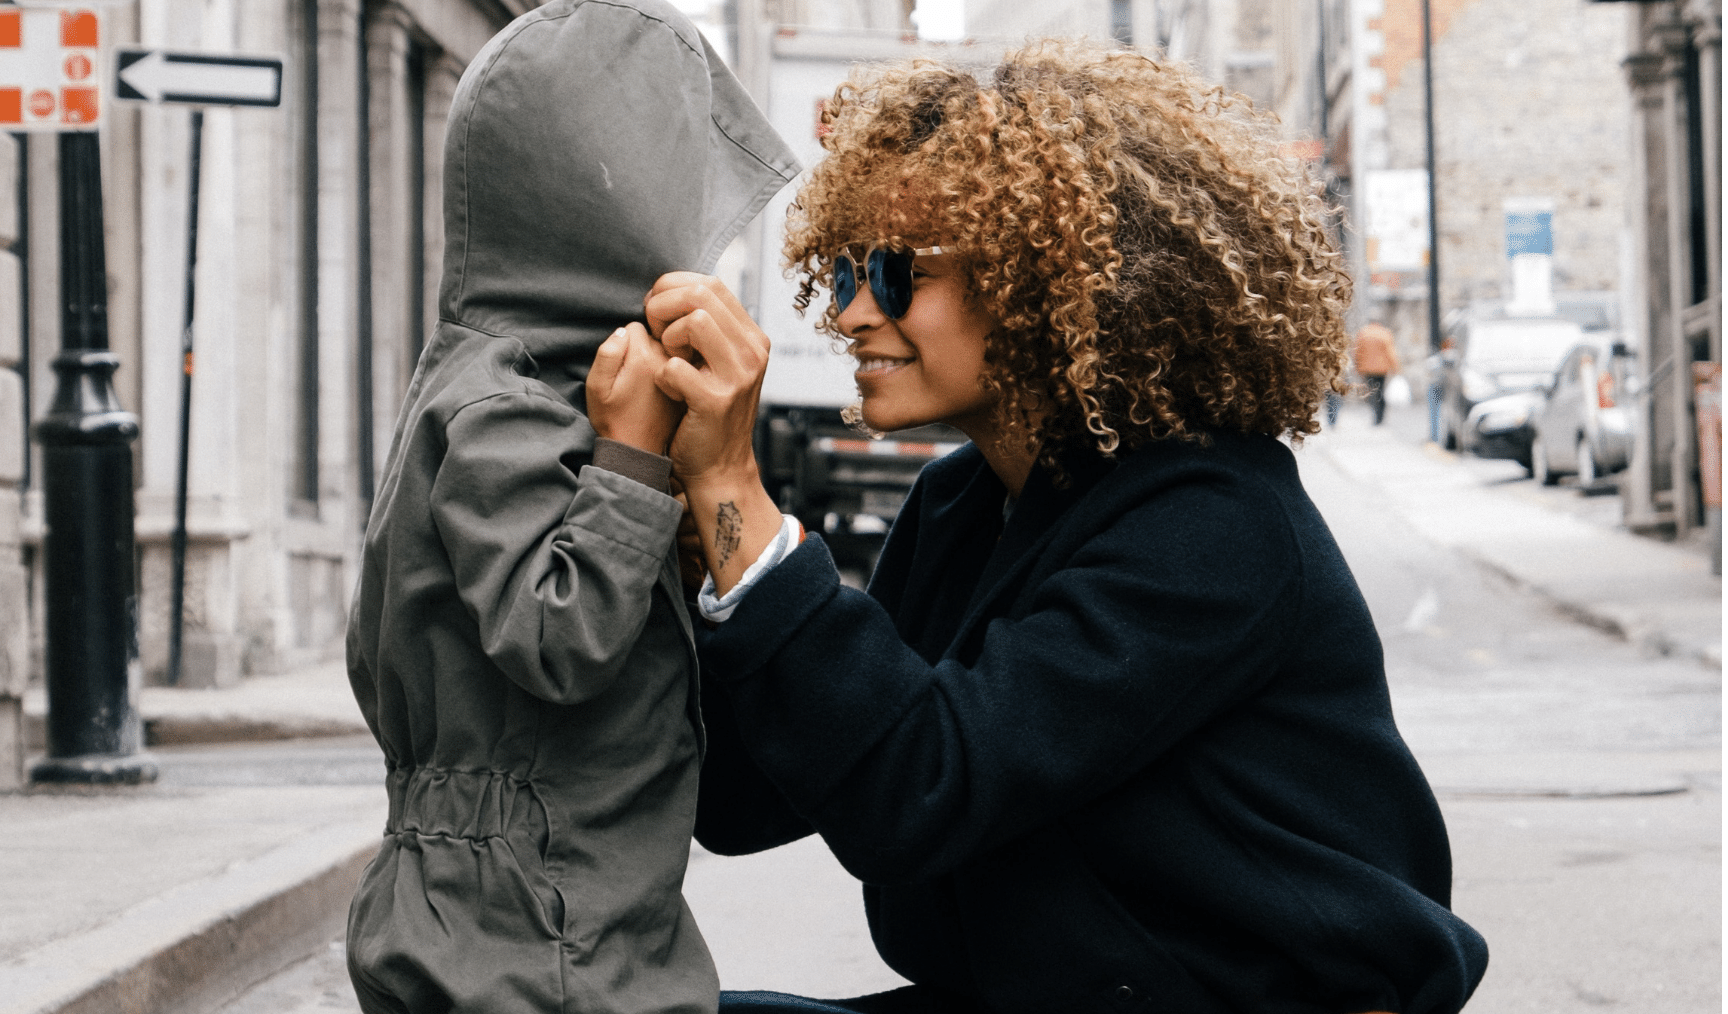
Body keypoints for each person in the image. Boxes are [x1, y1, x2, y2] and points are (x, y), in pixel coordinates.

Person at [648, 43, 1487, 1014]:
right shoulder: (961, 508)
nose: (851, 315)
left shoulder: (1213, 527)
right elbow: (747, 804)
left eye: (893, 272)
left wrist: (735, 496)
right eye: (838, 273)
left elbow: (924, 785)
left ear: (1049, 282)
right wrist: (696, 550)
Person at [341, 2, 796, 1012]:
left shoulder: (514, 381)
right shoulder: (503, 401)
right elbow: (559, 633)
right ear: (608, 210)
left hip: (535, 906)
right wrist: (631, 458)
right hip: (539, 933)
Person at [1354, 321, 1402, 425]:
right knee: (1380, 391)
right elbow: (1391, 352)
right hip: (1382, 369)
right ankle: (1380, 416)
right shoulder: (1384, 333)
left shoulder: (1363, 333)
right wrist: (1395, 367)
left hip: (1367, 369)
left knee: (1372, 392)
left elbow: (1358, 351)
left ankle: (1375, 415)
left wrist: (1357, 367)